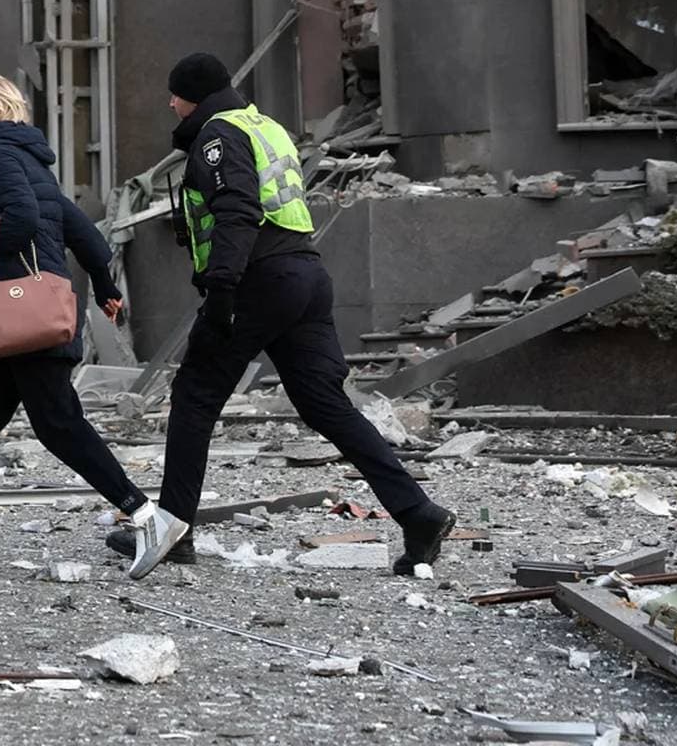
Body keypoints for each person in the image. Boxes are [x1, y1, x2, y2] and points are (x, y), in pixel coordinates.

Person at [119, 52, 455, 579]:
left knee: (194, 396)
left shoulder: (217, 136)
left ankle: (174, 531)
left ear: (195, 98)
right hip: (305, 275)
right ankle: (417, 512)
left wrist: (222, 293)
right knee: (325, 404)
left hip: (259, 279)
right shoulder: (265, 127)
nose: (170, 104)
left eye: (175, 95)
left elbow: (238, 210)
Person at [0, 70, 161, 574]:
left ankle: (146, 516)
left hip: (21, 314)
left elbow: (22, 217)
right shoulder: (30, 160)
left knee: (58, 426)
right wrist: (105, 287)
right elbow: (80, 228)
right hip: (22, 322)